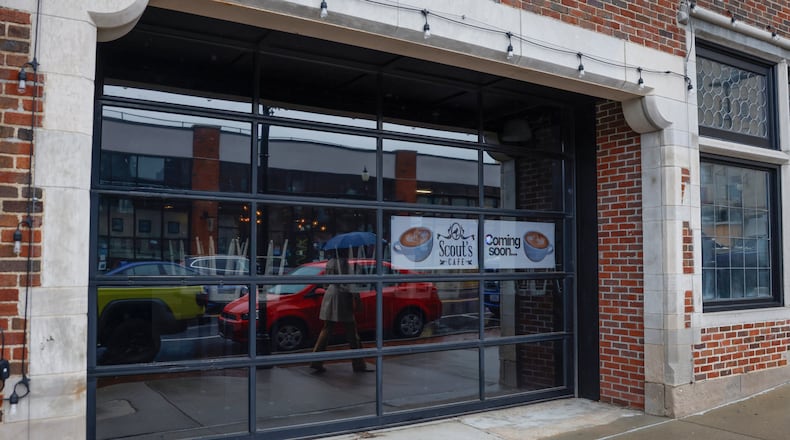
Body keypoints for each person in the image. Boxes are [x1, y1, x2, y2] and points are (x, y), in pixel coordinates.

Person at [310, 248, 371, 373]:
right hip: (342, 297)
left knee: (326, 329)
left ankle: (316, 361)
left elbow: (326, 283)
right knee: (352, 332)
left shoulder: (330, 262)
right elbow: (351, 283)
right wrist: (357, 300)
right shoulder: (344, 263)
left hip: (330, 295)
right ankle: (358, 364)